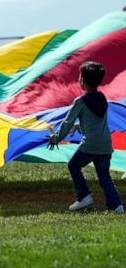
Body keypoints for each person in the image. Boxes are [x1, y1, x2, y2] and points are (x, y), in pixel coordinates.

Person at [48, 61, 124, 213]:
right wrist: (80, 126)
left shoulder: (80, 102)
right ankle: (116, 205)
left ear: (82, 80)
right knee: (104, 175)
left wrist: (56, 138)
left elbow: (67, 122)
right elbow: (94, 121)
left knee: (74, 165)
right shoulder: (102, 98)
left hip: (90, 145)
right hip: (105, 145)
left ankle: (84, 196)